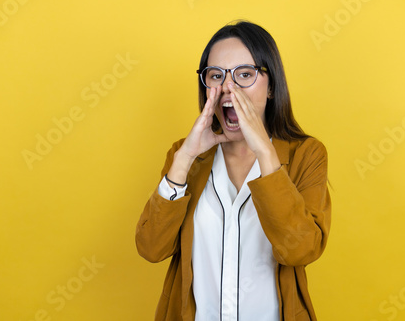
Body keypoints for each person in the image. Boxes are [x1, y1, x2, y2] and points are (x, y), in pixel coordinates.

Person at [136, 20, 331, 321]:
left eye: (244, 74)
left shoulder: (306, 155)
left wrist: (265, 153)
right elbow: (151, 248)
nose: (228, 87)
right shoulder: (185, 156)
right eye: (216, 76)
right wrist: (186, 156)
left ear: (270, 87)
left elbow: (301, 250)